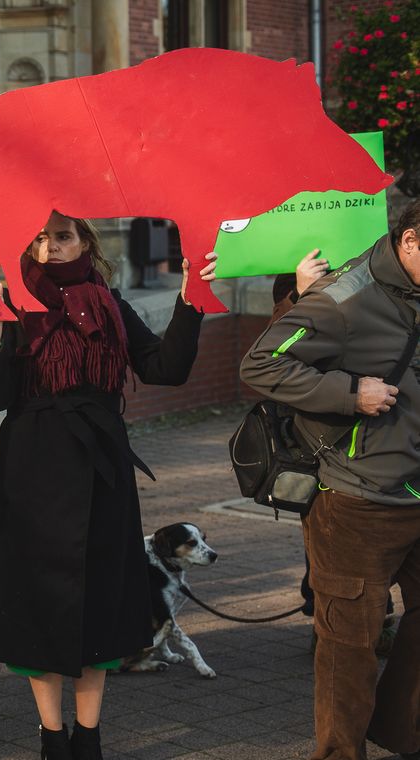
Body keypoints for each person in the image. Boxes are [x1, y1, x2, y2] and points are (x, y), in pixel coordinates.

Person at [0, 211, 216, 760]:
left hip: (101, 472)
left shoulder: (109, 302)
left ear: (84, 241)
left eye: (62, 236)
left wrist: (191, 298)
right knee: (40, 603)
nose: (50, 247)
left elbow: (165, 367)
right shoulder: (11, 302)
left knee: (99, 602)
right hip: (33, 472)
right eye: (39, 238)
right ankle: (51, 736)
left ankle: (90, 736)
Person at [240, 201, 420, 760]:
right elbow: (260, 364)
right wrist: (350, 395)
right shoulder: (347, 298)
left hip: (416, 489)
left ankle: (405, 735)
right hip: (358, 502)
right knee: (350, 646)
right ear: (412, 241)